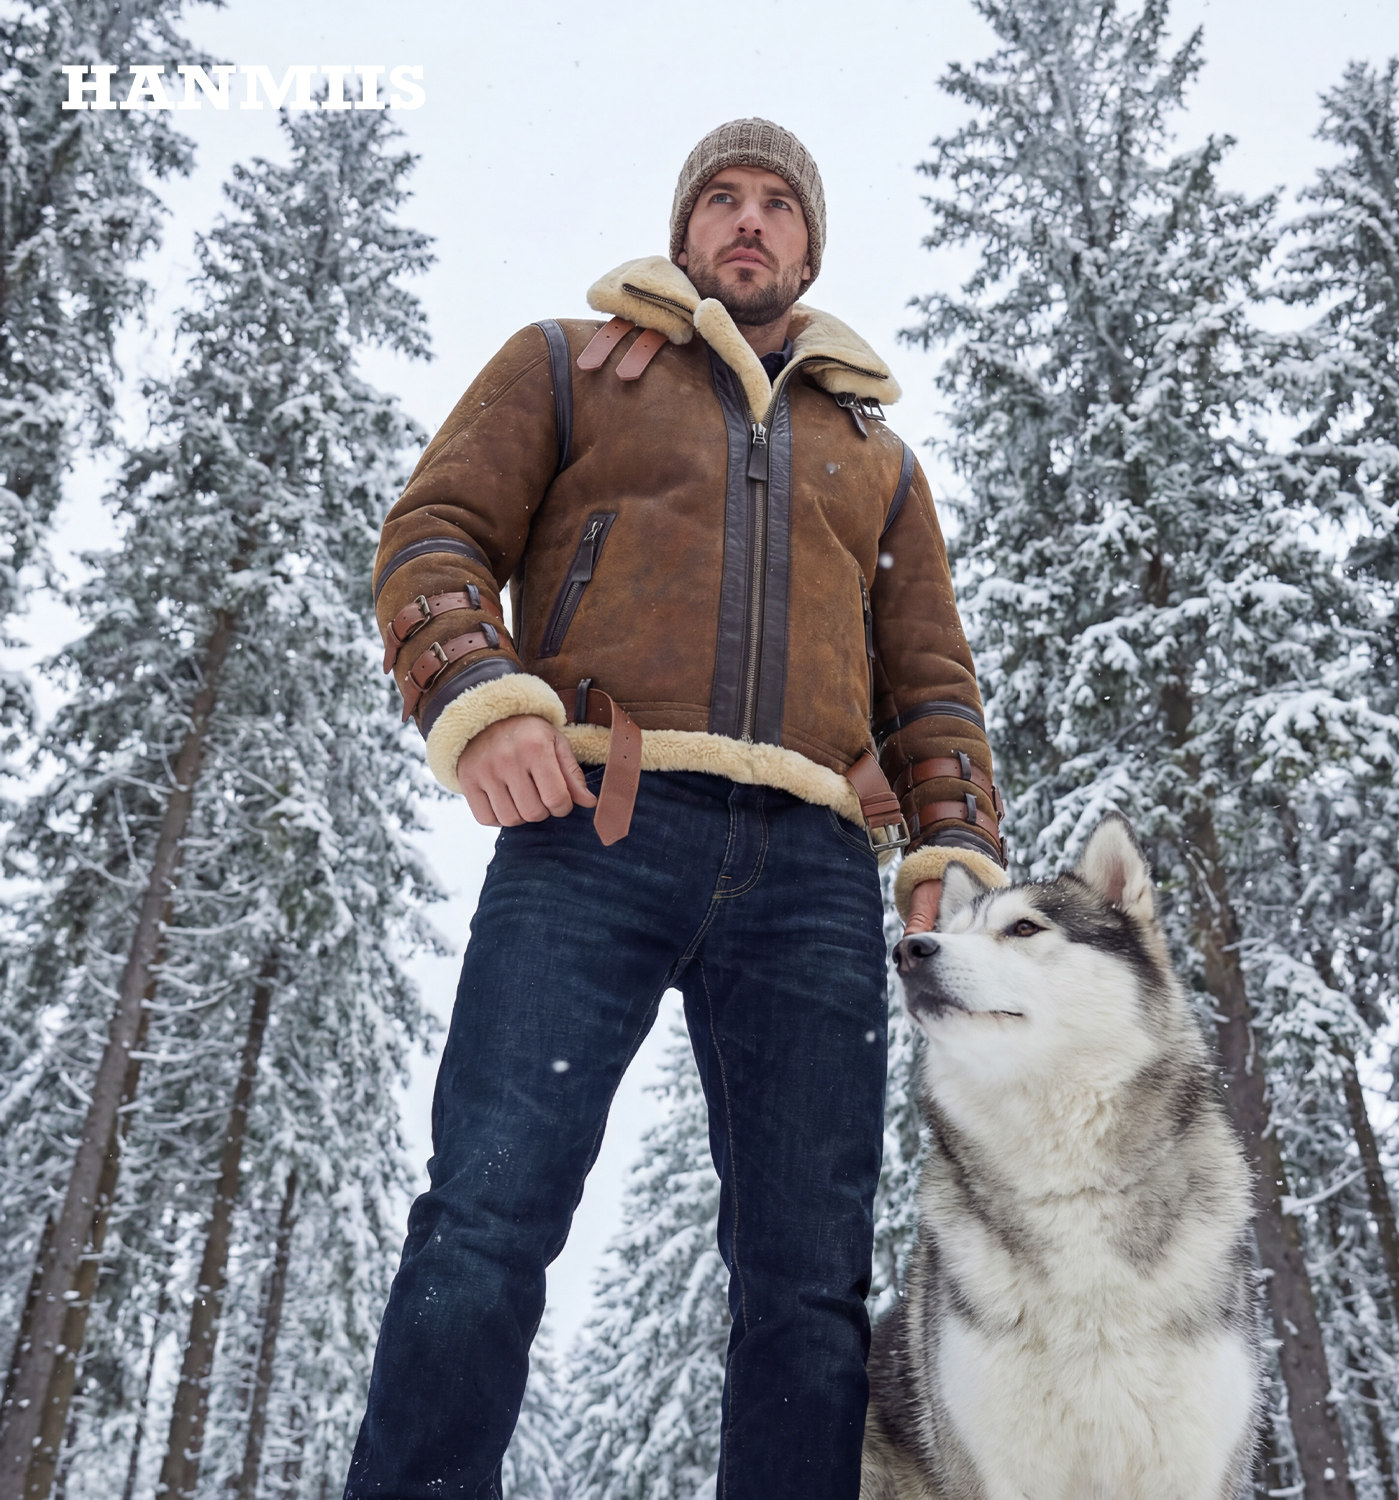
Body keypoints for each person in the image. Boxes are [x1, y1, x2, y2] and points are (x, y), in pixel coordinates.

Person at [344, 118, 1006, 1500]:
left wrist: (954, 842)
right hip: (595, 822)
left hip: (815, 875)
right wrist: (484, 693)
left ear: (811, 243)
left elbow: (931, 679)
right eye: (723, 198)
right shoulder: (569, 366)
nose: (749, 221)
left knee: (810, 1285)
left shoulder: (875, 454)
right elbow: (435, 533)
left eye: (778, 203)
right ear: (685, 227)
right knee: (484, 1220)